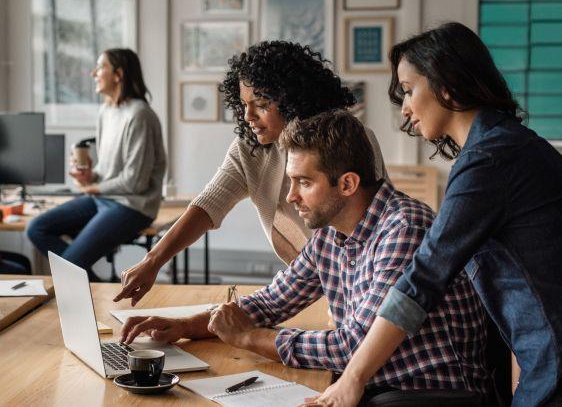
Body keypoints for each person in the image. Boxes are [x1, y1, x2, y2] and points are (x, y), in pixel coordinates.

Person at [120, 110, 491, 399]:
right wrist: (187, 326)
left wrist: (249, 339)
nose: (291, 196)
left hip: (430, 392)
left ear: (347, 184)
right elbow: (271, 302)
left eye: (304, 182)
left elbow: (351, 347)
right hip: (377, 385)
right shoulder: (331, 232)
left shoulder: (404, 228)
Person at [306, 22, 562, 407]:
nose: (406, 110)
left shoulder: (488, 160)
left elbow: (423, 277)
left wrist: (353, 377)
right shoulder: (508, 145)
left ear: (446, 85)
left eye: (410, 90)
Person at [113, 41, 387, 305]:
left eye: (262, 104)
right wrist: (152, 262)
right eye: (244, 104)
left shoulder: (348, 141)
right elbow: (208, 205)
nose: (248, 116)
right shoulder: (250, 149)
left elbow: (369, 229)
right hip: (305, 282)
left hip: (360, 280)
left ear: (295, 100)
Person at [27, 48, 166, 281]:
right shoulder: (106, 111)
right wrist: (90, 176)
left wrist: (94, 188)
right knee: (36, 228)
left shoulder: (140, 115)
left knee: (70, 265)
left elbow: (136, 181)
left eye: (100, 67)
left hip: (133, 206)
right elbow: (107, 170)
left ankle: (82, 282)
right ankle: (93, 284)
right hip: (103, 199)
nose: (93, 73)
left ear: (118, 74)